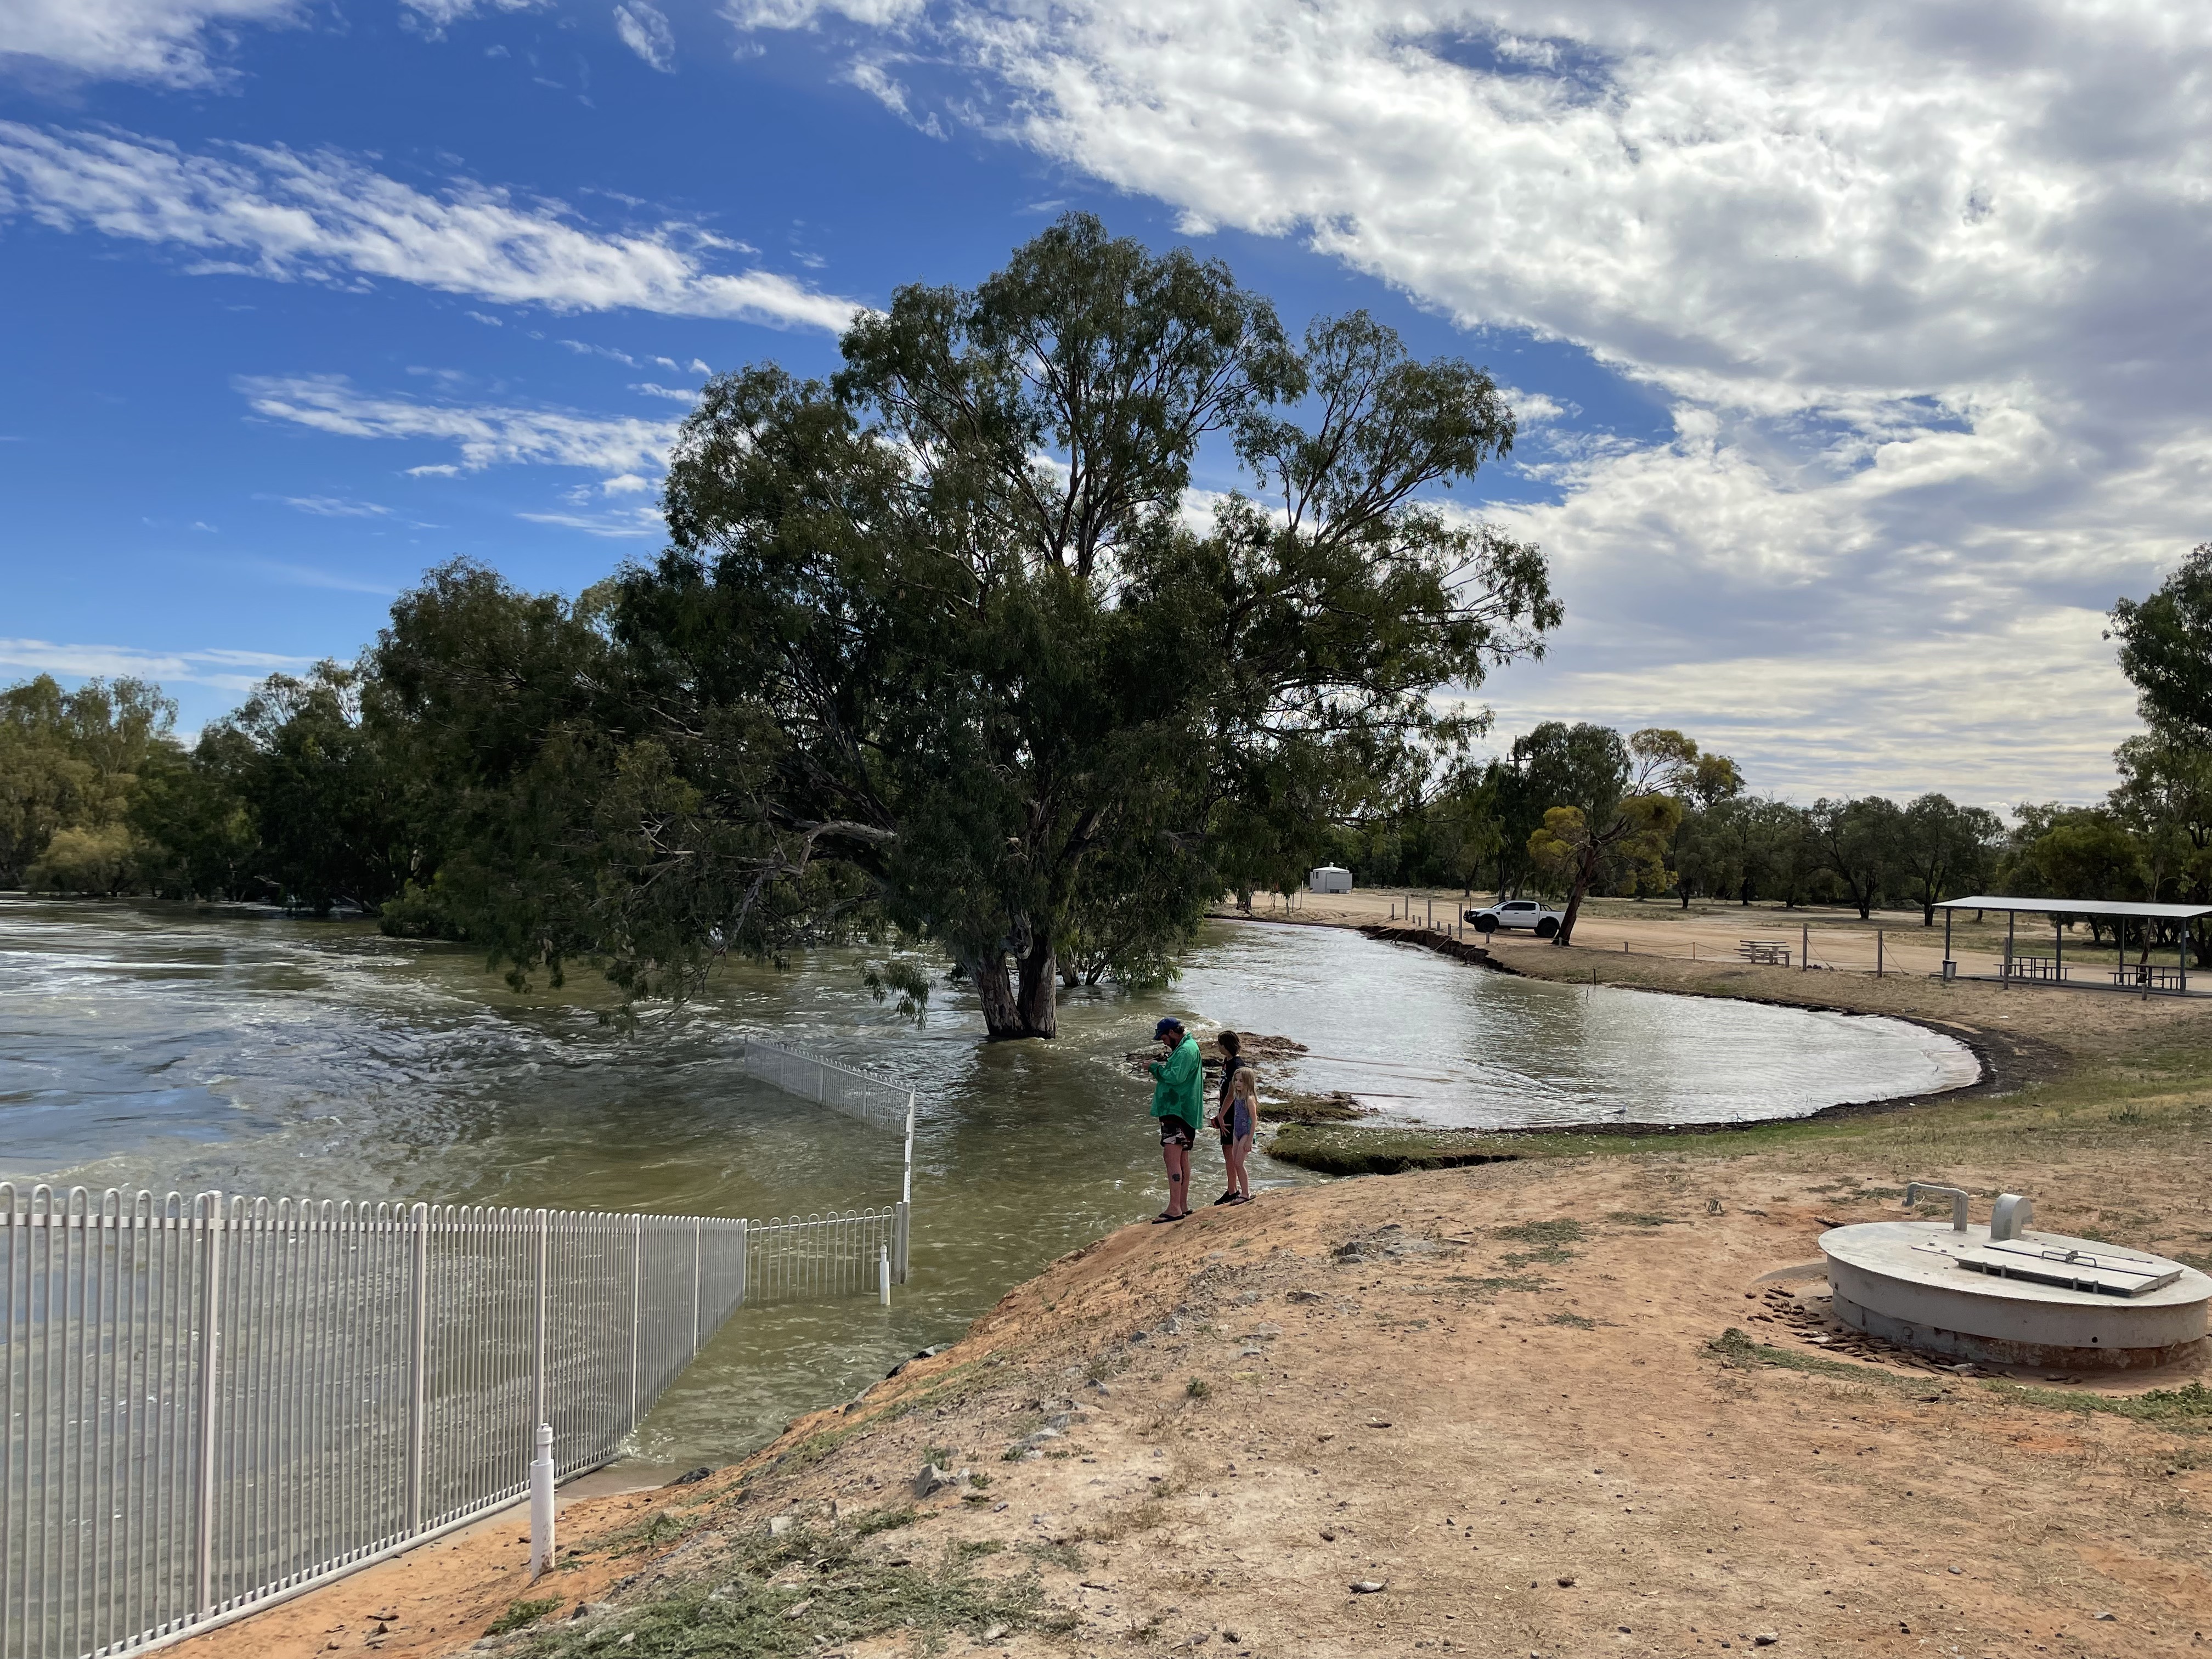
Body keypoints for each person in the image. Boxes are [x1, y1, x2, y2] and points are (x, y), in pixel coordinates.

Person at [1147, 1016, 1203, 1222]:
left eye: (1163, 1037)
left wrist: (1154, 1068)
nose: (1163, 1042)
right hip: (1184, 1110)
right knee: (1181, 1158)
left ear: (1172, 1033)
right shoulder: (1187, 1047)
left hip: (1177, 1110)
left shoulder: (1186, 1050)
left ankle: (1174, 1208)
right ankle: (1182, 1204)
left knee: (1171, 1158)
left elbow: (1175, 1077)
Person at [1211, 1030, 1256, 1205]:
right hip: (1227, 1110)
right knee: (1227, 1150)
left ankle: (1236, 1190)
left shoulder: (1236, 1065)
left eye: (1219, 1044)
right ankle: (1232, 1189)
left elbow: (1231, 1094)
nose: (1218, 1047)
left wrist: (1221, 1115)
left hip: (1231, 1113)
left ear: (1226, 1046)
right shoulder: (1228, 1061)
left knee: (1229, 1151)